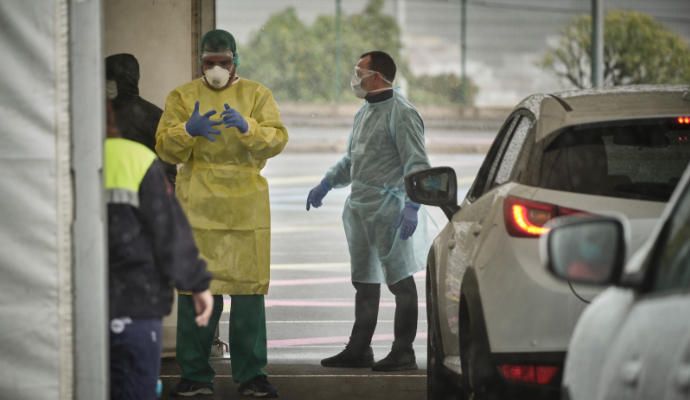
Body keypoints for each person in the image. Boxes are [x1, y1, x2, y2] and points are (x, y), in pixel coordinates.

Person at [155, 29, 287, 398]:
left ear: (236, 61)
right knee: (197, 295)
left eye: (224, 62)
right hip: (198, 209)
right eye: (210, 63)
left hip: (245, 209)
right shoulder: (182, 97)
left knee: (248, 297)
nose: (216, 69)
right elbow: (165, 147)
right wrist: (187, 130)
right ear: (201, 62)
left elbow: (277, 139)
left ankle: (252, 376)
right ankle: (196, 375)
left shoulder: (256, 95)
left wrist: (249, 127)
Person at [306, 51, 430, 371]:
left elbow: (416, 162)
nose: (355, 76)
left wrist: (413, 205)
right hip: (361, 208)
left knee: (401, 282)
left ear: (376, 75)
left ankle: (404, 350)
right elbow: (353, 160)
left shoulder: (401, 113)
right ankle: (359, 348)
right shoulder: (364, 112)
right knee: (364, 280)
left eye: (359, 70)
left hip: (391, 210)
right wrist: (326, 183)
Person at [105, 99, 214, 400]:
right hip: (135, 301)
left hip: (76, 307)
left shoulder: (55, 160)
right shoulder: (136, 159)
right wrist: (197, 285)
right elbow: (167, 230)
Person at [105, 53, 178, 185]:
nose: (105, 85)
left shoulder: (151, 116)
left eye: (109, 79)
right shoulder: (103, 116)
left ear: (122, 80)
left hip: (146, 192)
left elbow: (168, 162)